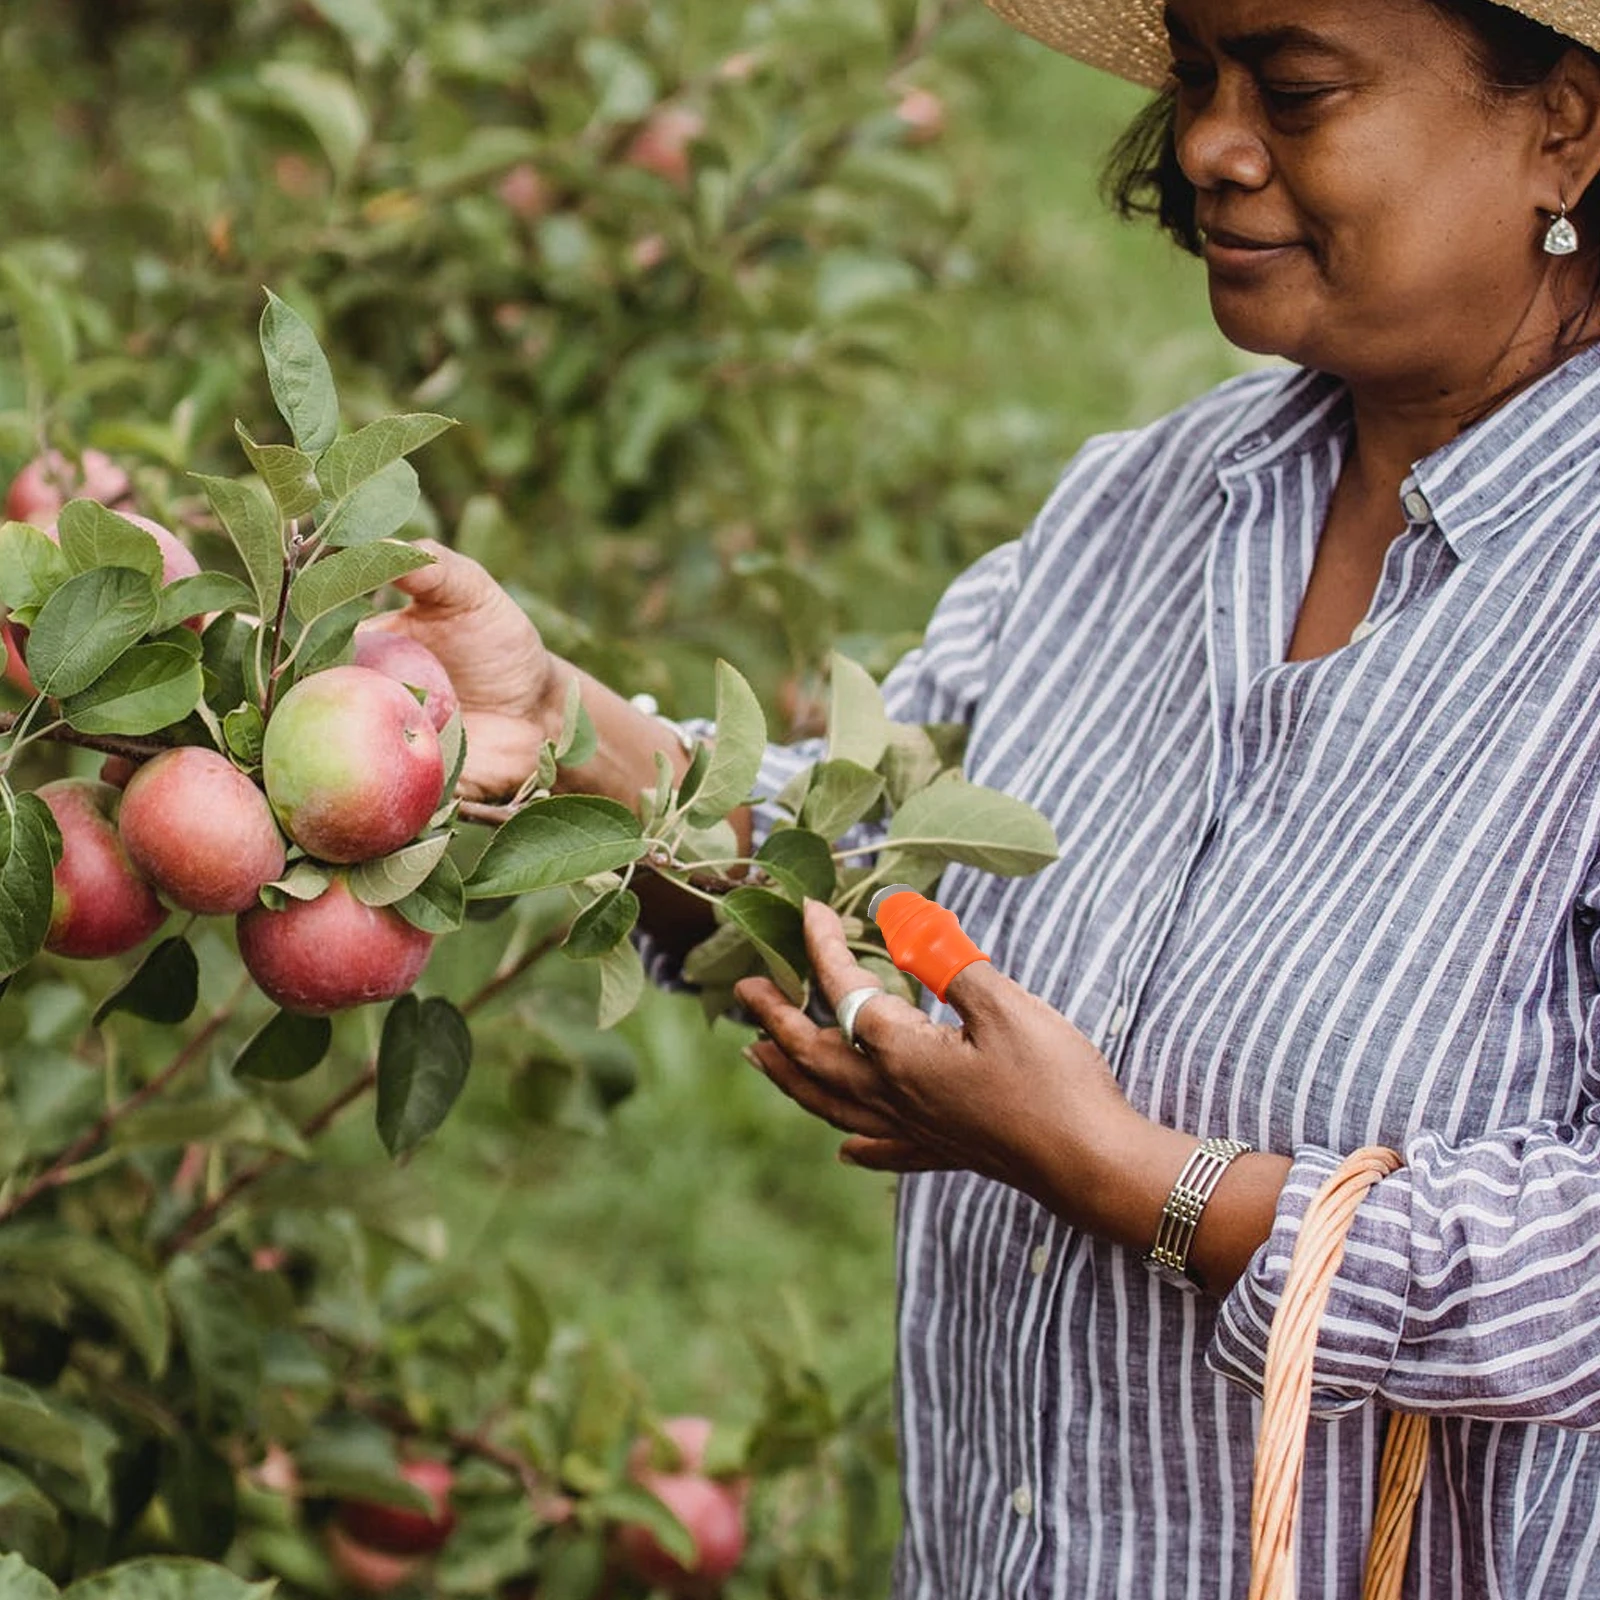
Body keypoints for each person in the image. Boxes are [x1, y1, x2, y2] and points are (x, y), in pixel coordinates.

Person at [372, 0, 1600, 1591]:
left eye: (1295, 91)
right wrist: (565, 731)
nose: (1210, 147)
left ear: (1565, 126)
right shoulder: (1144, 503)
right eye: (1198, 78)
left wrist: (1134, 1179)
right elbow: (857, 868)